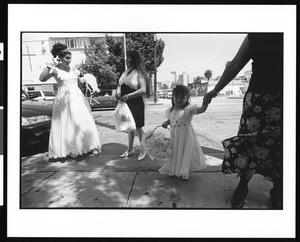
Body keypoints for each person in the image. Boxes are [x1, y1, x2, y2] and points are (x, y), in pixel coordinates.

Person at [203, 33, 283, 209]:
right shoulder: (256, 34)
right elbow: (235, 66)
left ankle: (277, 188)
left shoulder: (257, 33)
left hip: (273, 99)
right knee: (253, 143)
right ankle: (246, 185)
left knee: (274, 146)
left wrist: (214, 92)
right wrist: (214, 91)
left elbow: (234, 65)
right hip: (259, 100)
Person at [39, 43, 101, 160]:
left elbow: (82, 79)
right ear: (60, 58)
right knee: (66, 123)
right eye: (67, 58)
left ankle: (89, 146)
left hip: (77, 98)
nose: (69, 61)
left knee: (82, 121)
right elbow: (42, 79)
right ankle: (67, 149)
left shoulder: (73, 69)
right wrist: (49, 65)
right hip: (63, 100)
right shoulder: (55, 69)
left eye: (70, 58)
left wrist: (90, 83)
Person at [159, 85, 208, 180]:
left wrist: (206, 103)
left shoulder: (188, 109)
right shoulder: (172, 110)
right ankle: (173, 169)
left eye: (182, 97)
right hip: (175, 136)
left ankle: (184, 171)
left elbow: (201, 110)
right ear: (173, 97)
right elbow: (172, 119)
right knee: (175, 152)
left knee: (185, 152)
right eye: (176, 97)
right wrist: (166, 123)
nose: (179, 99)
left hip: (185, 136)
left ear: (187, 98)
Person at [117, 50, 150, 161]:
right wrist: (118, 93)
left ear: (134, 59)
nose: (127, 60)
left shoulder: (138, 73)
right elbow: (120, 84)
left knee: (139, 128)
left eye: (129, 58)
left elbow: (143, 89)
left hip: (136, 103)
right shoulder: (125, 72)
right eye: (126, 58)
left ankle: (143, 149)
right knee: (130, 128)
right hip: (126, 104)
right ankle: (130, 149)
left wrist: (128, 96)